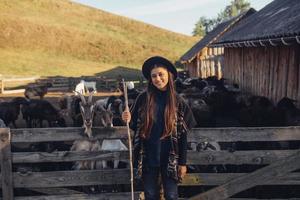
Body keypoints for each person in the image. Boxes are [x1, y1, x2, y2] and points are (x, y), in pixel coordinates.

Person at [122, 56, 196, 200]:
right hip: (147, 156)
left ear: (169, 74)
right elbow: (132, 124)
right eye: (154, 76)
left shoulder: (177, 101)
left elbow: (183, 135)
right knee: (150, 195)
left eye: (161, 74)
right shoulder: (143, 99)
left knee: (171, 195)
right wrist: (126, 117)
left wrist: (182, 163)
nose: (158, 79)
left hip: (170, 157)